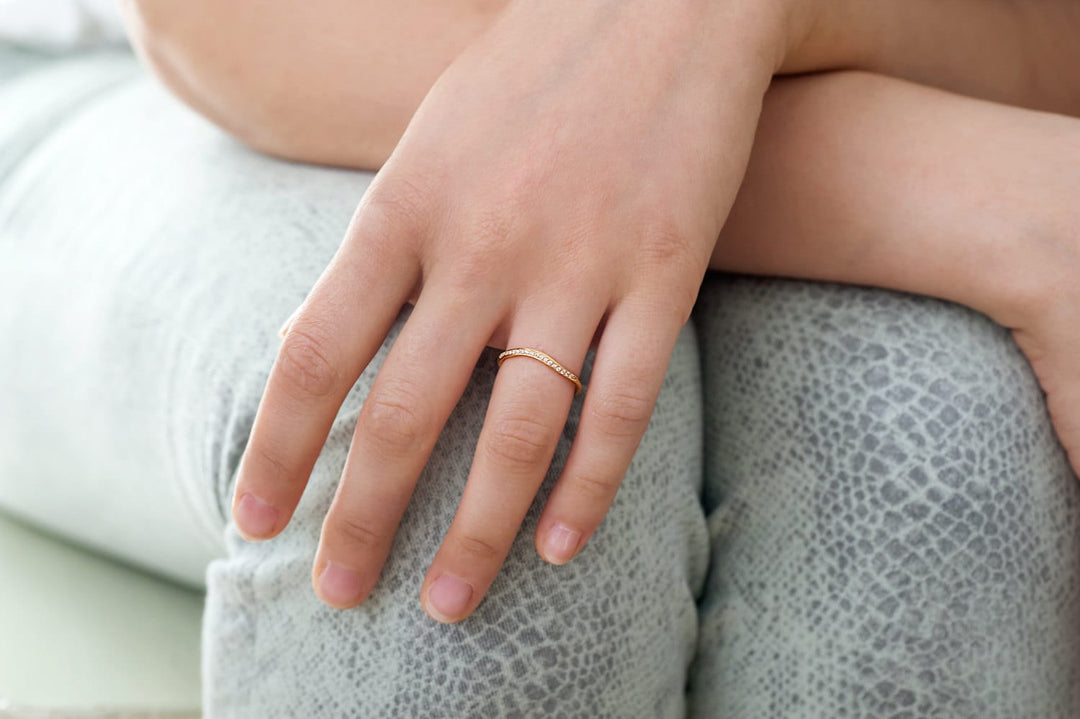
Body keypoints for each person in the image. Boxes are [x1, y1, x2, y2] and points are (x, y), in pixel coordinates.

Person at [118, 0, 1080, 715]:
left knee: (938, 442)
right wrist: (994, 196)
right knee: (481, 425)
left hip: (821, 70)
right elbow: (226, 21)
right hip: (143, 95)